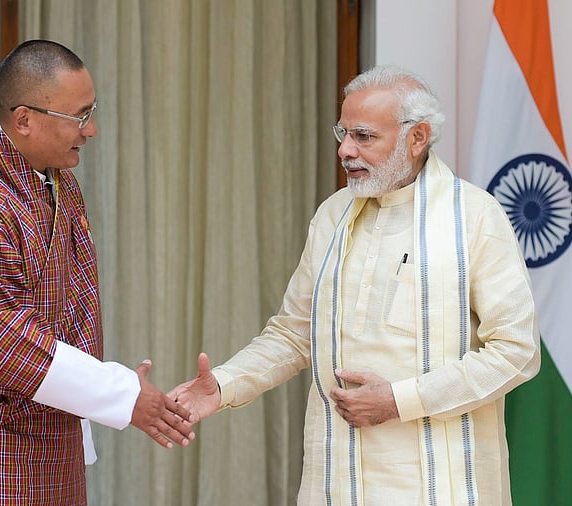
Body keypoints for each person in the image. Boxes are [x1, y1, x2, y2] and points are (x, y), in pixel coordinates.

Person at [170, 65, 540, 505]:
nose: (345, 150)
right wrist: (225, 385)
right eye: (342, 133)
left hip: (439, 485)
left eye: (364, 137)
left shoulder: (475, 217)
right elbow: (294, 332)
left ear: (417, 137)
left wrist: (399, 400)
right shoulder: (334, 214)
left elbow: (516, 352)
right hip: (334, 481)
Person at [0, 39, 193, 505]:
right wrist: (118, 392)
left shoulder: (57, 184)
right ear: (24, 119)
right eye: (79, 116)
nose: (92, 129)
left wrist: (106, 390)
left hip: (53, 450)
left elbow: (77, 311)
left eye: (91, 110)